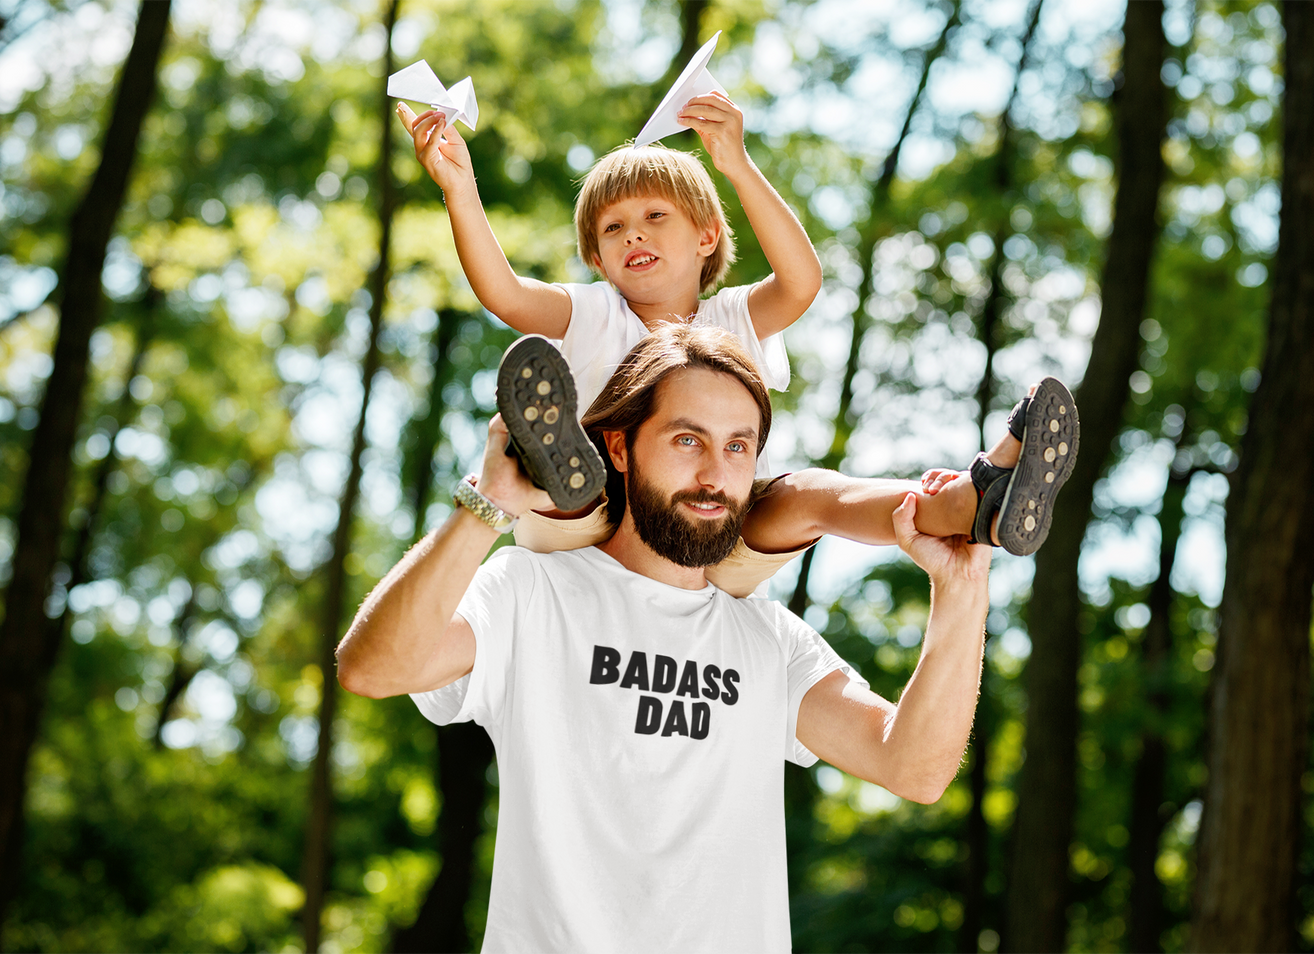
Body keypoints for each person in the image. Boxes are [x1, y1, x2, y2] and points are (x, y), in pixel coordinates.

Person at [337, 325, 993, 953]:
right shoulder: (530, 592)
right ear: (619, 447)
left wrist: (961, 591)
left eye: (737, 446)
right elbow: (373, 669)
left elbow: (913, 769)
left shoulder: (770, 640)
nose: (714, 473)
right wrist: (488, 506)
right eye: (687, 440)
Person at [394, 90, 1078, 593]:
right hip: (584, 530)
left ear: (705, 237)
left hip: (706, 528)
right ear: (597, 261)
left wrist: (737, 164)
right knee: (569, 482)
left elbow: (801, 281)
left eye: (654, 216)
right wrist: (460, 188)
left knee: (810, 494)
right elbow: (505, 294)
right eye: (612, 228)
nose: (632, 233)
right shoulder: (590, 312)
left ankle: (972, 501)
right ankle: (559, 468)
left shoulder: (732, 321)